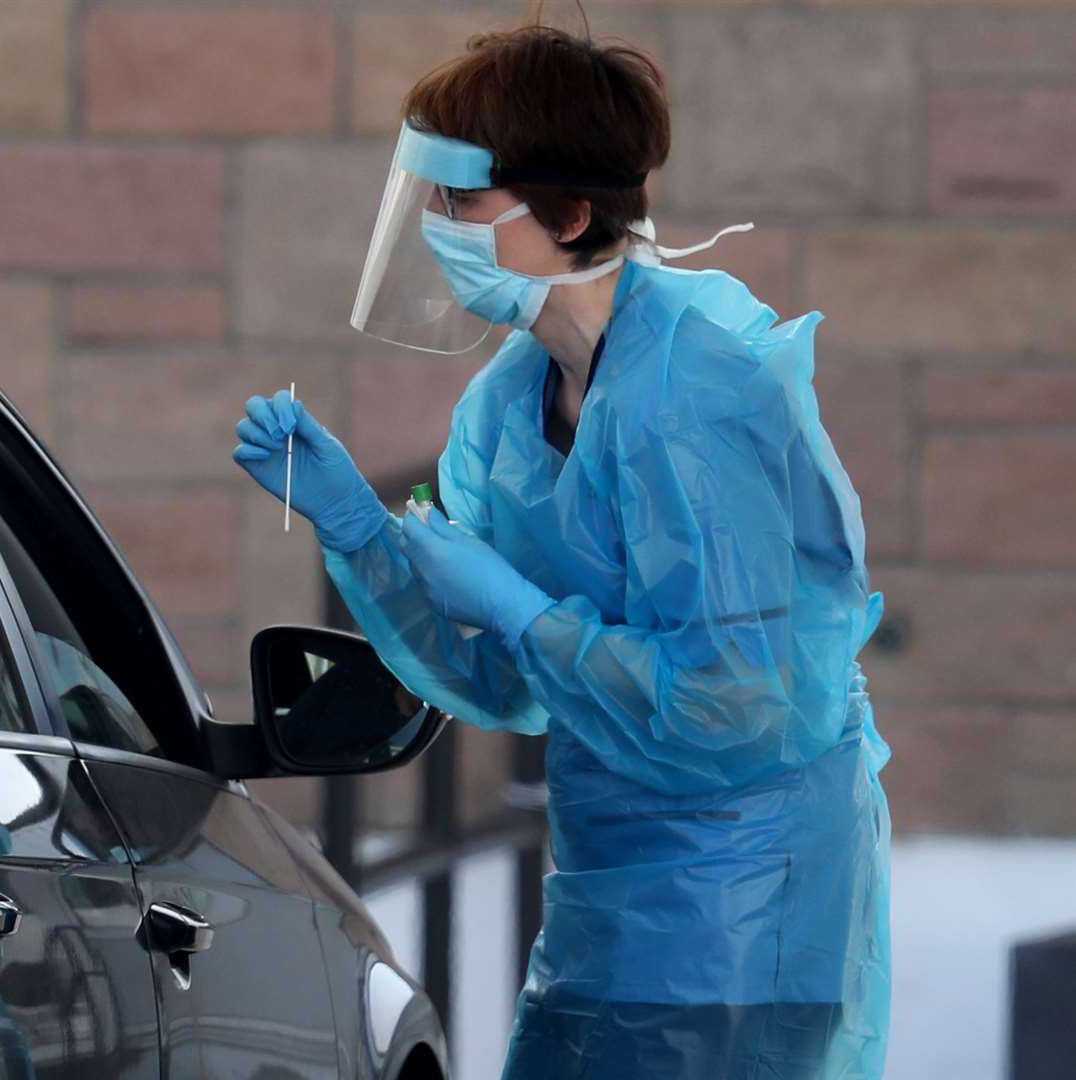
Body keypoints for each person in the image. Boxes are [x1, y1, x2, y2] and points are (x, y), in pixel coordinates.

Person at [233, 23, 891, 1080]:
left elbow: (740, 701)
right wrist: (356, 526)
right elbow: (501, 680)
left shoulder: (704, 396)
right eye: (433, 198)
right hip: (605, 894)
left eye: (461, 201)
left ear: (572, 214)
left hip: (743, 904)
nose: (436, 227)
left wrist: (523, 610)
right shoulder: (507, 404)